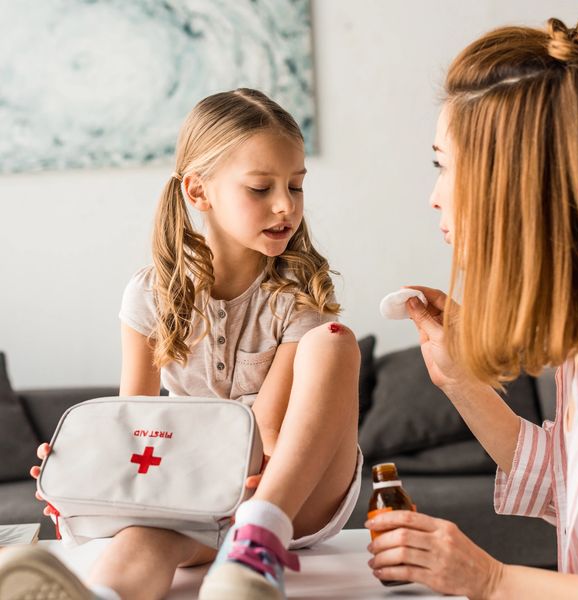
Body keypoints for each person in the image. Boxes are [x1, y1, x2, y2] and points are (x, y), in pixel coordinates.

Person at [0, 89, 361, 600]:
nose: (285, 205)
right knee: (143, 539)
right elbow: (136, 421)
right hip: (203, 494)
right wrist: (87, 473)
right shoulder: (151, 295)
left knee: (333, 342)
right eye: (261, 188)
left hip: (289, 493)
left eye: (296, 187)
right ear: (198, 191)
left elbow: (269, 437)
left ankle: (258, 544)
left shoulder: (297, 299)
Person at [366, 11, 578, 599]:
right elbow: (569, 488)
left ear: (512, 179)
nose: (434, 197)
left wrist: (492, 579)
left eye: (445, 166)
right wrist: (460, 381)